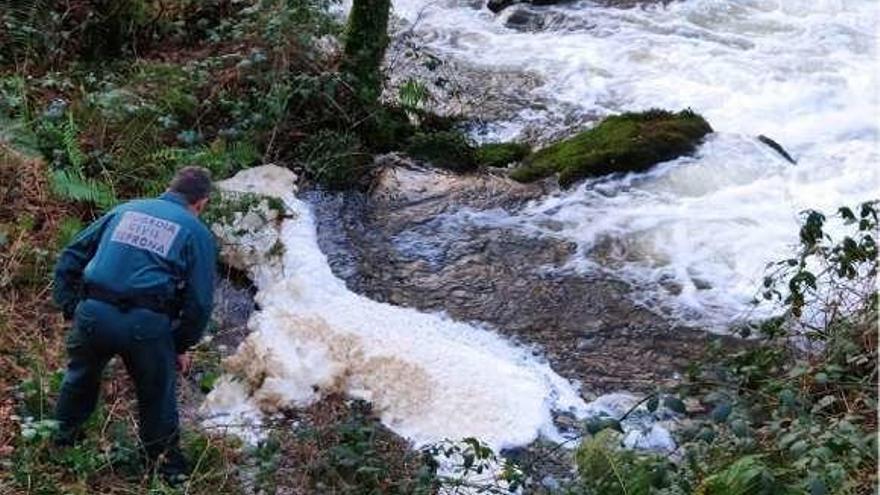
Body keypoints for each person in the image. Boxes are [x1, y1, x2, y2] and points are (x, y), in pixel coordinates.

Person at [52, 166, 217, 481]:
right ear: (200, 203)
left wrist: (72, 307)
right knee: (157, 397)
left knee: (79, 379)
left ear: (169, 188)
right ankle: (167, 473)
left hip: (93, 314)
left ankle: (60, 445)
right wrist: (179, 345)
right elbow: (199, 303)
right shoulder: (196, 232)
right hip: (145, 326)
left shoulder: (125, 210)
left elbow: (71, 254)